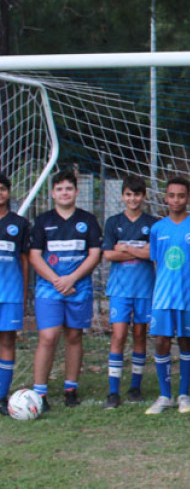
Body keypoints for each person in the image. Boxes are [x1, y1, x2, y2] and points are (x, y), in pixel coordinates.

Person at [30, 170, 102, 410]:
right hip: (49, 289)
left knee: (74, 336)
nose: (64, 193)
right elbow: (34, 256)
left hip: (78, 288)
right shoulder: (43, 221)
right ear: (53, 193)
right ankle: (39, 392)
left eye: (68, 188)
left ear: (76, 192)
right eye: (59, 189)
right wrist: (56, 280)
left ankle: (71, 387)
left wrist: (71, 278)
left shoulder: (88, 220)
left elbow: (94, 254)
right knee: (48, 337)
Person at [145, 176, 190, 416]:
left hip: (188, 297)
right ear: (165, 197)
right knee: (161, 342)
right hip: (162, 297)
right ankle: (164, 395)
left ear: (189, 198)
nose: (176, 200)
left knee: (185, 342)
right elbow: (155, 262)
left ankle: (184, 394)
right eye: (171, 195)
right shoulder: (157, 229)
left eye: (181, 196)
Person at [101, 175, 157, 409]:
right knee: (119, 335)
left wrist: (124, 247)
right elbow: (108, 254)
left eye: (137, 194)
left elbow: (153, 253)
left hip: (144, 288)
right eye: (129, 194)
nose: (133, 199)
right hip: (120, 289)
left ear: (144, 196)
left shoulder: (152, 223)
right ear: (123, 196)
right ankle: (113, 391)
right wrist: (138, 249)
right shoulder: (113, 222)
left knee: (140, 335)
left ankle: (135, 386)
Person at [0, 173, 30, 416]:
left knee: (7, 342)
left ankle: (2, 395)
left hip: (10, 293)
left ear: (9, 192)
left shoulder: (19, 224)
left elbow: (24, 261)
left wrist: (23, 295)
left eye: (2, 188)